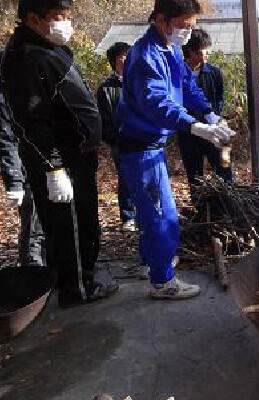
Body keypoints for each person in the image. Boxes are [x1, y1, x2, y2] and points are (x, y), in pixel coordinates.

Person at [1, 0, 118, 307]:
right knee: (72, 227)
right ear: (33, 18)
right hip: (62, 161)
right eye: (57, 18)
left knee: (77, 224)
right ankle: (78, 289)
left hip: (74, 156)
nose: (65, 24)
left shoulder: (48, 48)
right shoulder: (27, 57)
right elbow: (31, 122)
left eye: (67, 17)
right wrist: (53, 168)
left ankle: (73, 278)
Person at [117, 0, 235, 299]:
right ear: (161, 20)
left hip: (152, 145)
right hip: (140, 147)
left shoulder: (169, 51)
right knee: (162, 216)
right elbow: (157, 102)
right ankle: (163, 282)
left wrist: (208, 113)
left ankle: (150, 263)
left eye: (191, 25)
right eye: (183, 25)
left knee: (150, 213)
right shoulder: (145, 55)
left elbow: (187, 86)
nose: (188, 31)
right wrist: (194, 126)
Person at [0, 51, 45, 268]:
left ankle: (47, 267)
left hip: (45, 163)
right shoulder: (6, 95)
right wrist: (14, 181)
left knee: (44, 222)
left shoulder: (31, 89)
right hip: (26, 167)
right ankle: (31, 269)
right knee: (32, 222)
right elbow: (5, 138)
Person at [179, 28, 232, 203]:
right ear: (190, 51)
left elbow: (218, 99)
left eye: (208, 49)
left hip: (214, 128)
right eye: (203, 50)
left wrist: (215, 118)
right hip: (189, 132)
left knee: (224, 168)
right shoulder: (177, 73)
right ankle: (201, 210)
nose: (207, 54)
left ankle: (229, 202)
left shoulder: (213, 72)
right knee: (194, 174)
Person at [97, 42, 137, 232]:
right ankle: (128, 216)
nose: (125, 60)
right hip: (119, 142)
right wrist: (113, 139)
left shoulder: (139, 82)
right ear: (114, 61)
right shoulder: (106, 88)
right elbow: (103, 118)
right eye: (121, 57)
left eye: (128, 56)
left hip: (141, 140)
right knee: (125, 178)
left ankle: (146, 213)